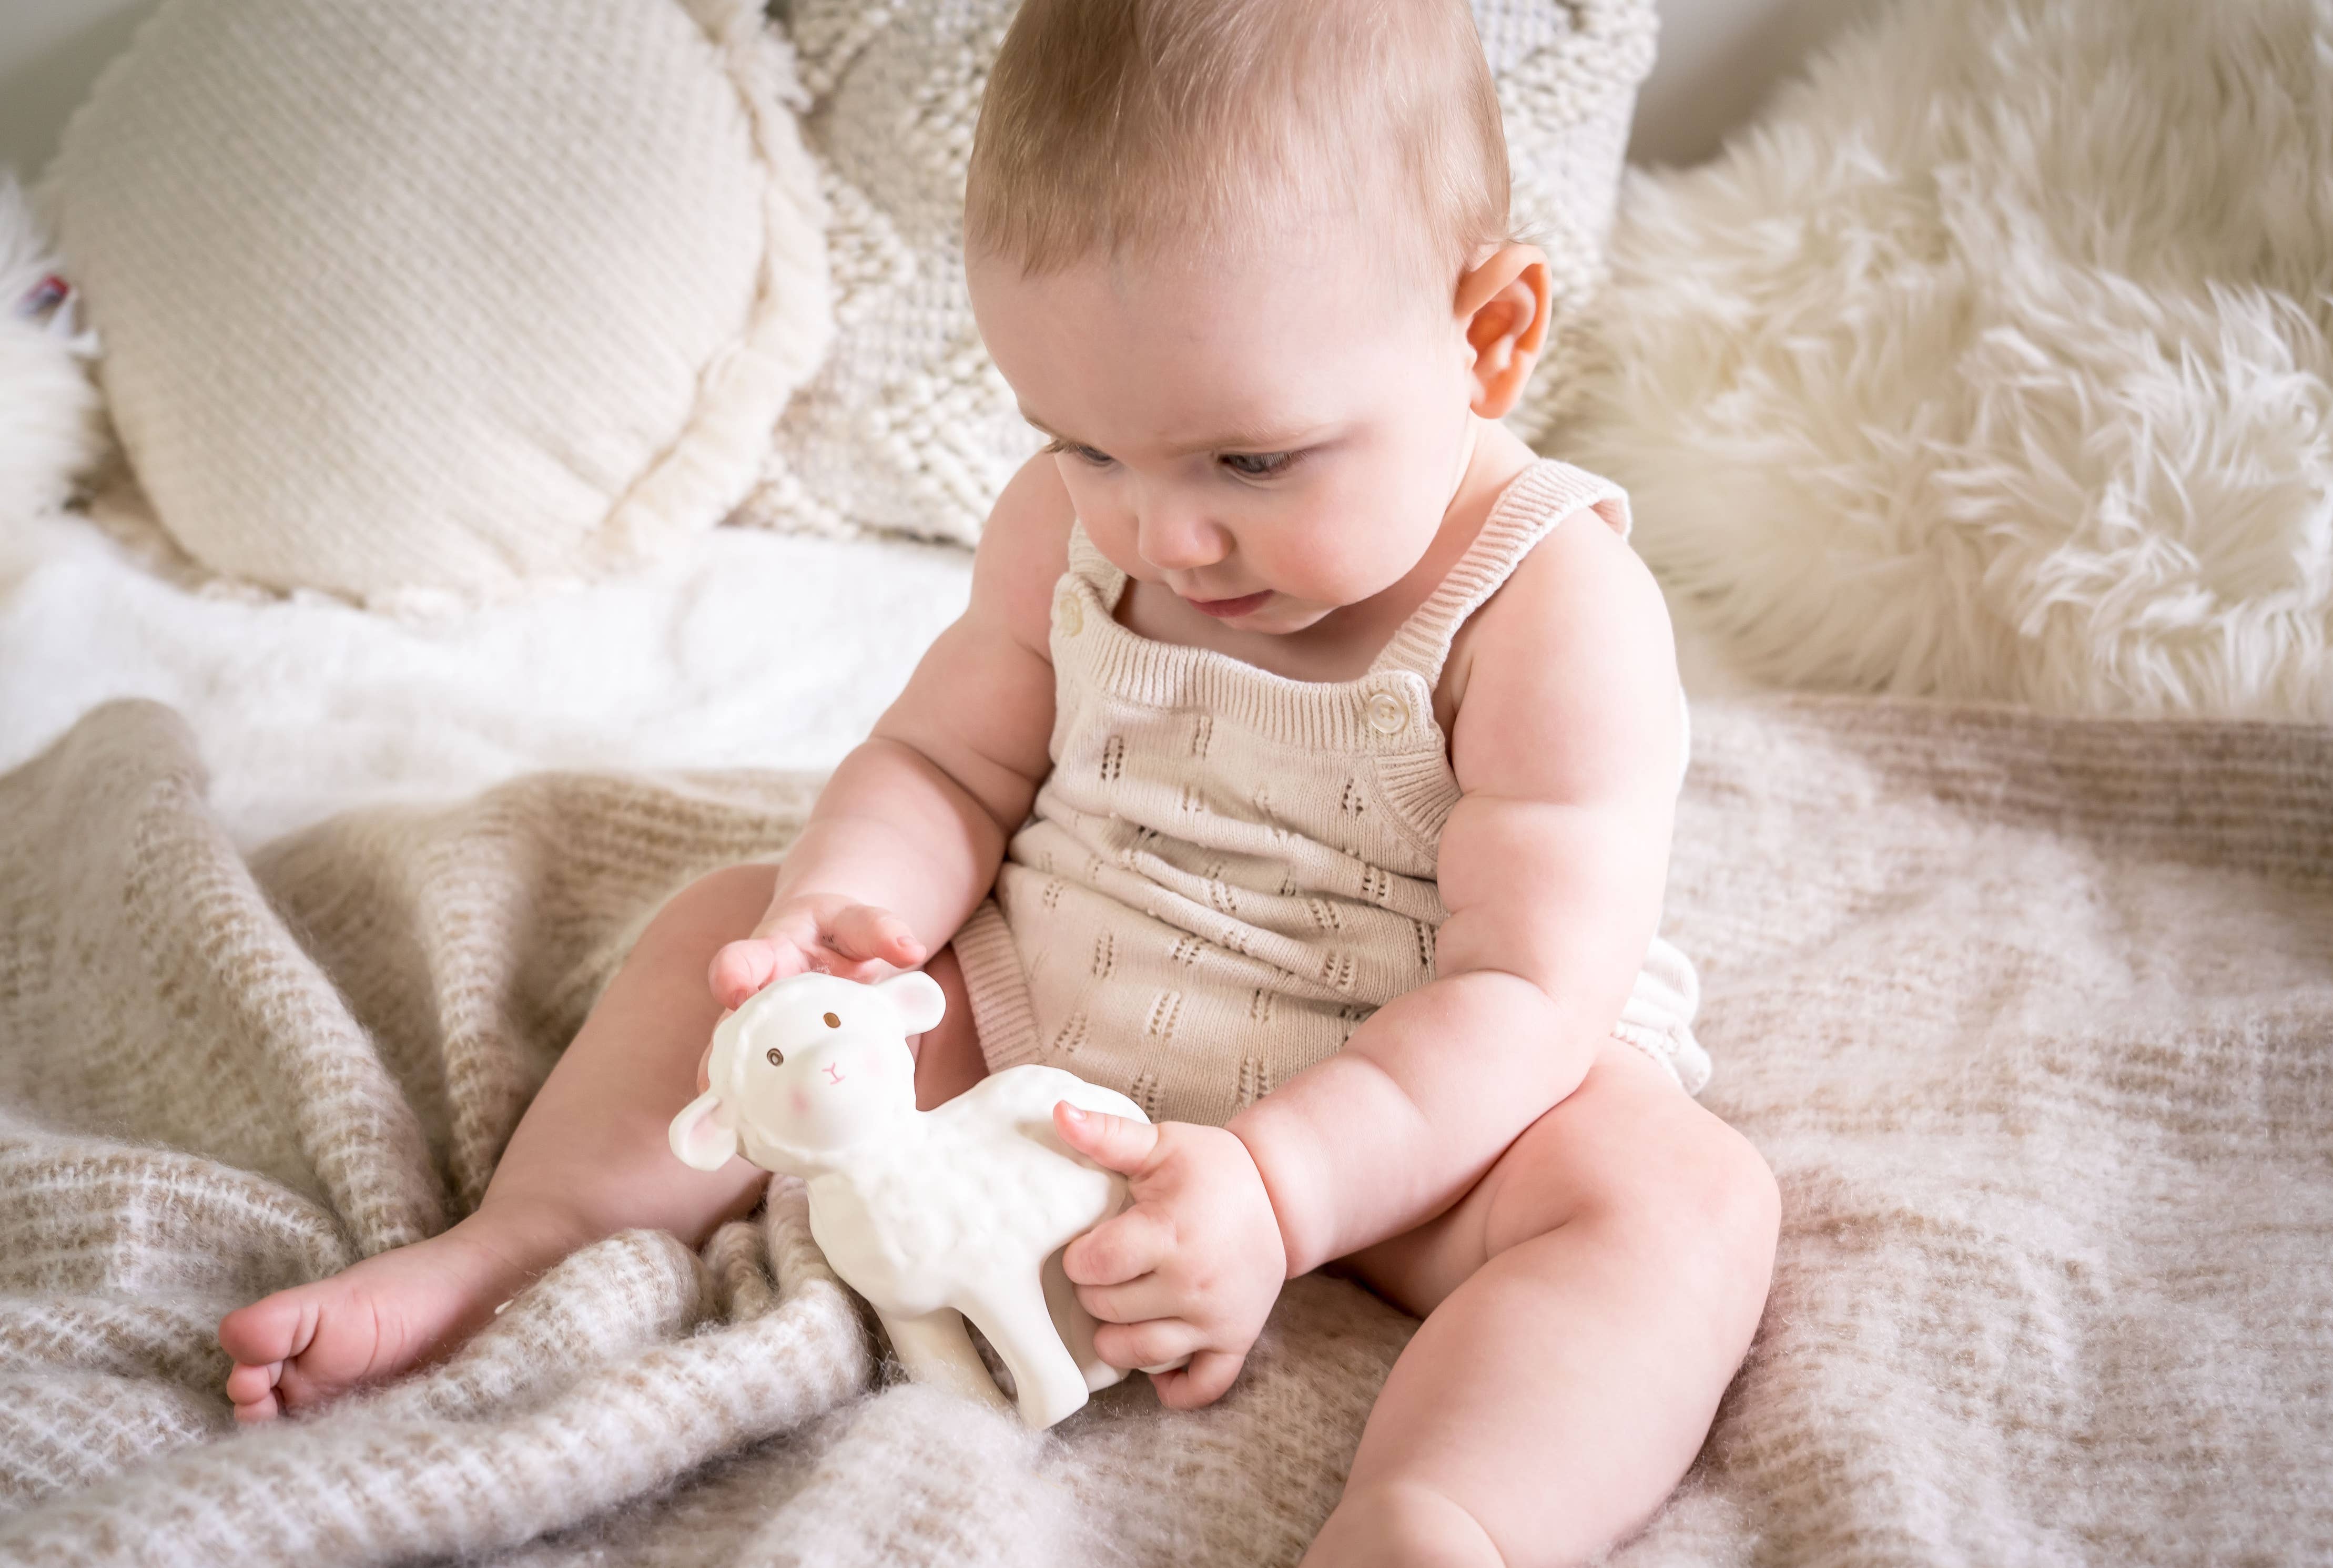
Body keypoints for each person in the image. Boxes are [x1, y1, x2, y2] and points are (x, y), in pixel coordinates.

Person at [220, 2, 1780, 1560]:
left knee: (1676, 1206)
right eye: (1087, 447)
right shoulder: (1069, 526)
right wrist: (852, 910)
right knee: (726, 931)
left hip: (1411, 1088)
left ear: (1488, 334)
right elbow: (944, 764)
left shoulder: (1549, 608)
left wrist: (1282, 1188)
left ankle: (1445, 1516)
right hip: (1051, 994)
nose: (1164, 536)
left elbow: (1525, 994)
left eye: (1251, 462)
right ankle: (520, 1247)